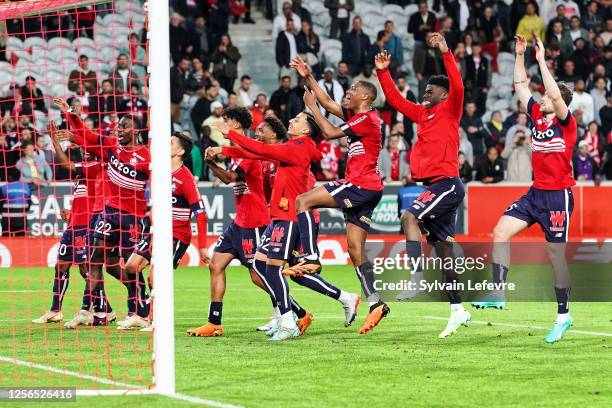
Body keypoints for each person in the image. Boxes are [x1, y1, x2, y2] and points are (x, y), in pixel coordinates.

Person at [209, 113, 360, 340]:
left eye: (297, 120)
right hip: (278, 216)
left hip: (290, 216)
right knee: (262, 265)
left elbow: (262, 151)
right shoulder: (292, 145)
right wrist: (224, 151)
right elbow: (257, 152)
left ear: (306, 130)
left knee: (274, 269)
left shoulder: (299, 147)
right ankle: (338, 300)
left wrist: (228, 134)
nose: (291, 120)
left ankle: (288, 321)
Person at [472, 36, 577, 344]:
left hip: (558, 196)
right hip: (535, 194)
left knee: (556, 256)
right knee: (500, 233)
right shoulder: (535, 116)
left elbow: (556, 97)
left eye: (546, 96)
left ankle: (563, 316)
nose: (541, 98)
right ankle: (498, 292)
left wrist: (542, 60)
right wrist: (519, 55)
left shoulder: (566, 124)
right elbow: (520, 86)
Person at [375, 33, 470, 338]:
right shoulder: (422, 113)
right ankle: (458, 310)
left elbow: (458, 84)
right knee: (443, 250)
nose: (425, 94)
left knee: (408, 217)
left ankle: (416, 276)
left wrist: (445, 51)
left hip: (446, 183)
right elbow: (395, 100)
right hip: (436, 184)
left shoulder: (451, 106)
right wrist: (383, 72)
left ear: (444, 94)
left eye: (430, 91)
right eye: (425, 90)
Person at [290, 55, 389, 335]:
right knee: (356, 250)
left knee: (303, 200)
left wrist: (312, 109)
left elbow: (330, 130)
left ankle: (310, 256)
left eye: (353, 90)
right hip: (370, 188)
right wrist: (308, 77)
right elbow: (329, 103)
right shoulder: (361, 118)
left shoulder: (367, 119)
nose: (347, 93)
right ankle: (376, 303)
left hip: (360, 183)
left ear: (366, 97)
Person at [56, 97, 151, 330]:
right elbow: (87, 135)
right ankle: (92, 308)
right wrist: (70, 113)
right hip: (108, 213)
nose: (119, 129)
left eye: (124, 126)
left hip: (133, 217)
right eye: (118, 125)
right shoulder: (111, 146)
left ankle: (141, 308)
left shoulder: (147, 156)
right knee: (93, 259)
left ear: (136, 130)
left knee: (130, 265)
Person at [186, 107, 271, 337]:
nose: (221, 125)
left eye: (225, 121)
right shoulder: (238, 151)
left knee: (257, 275)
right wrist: (214, 160)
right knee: (216, 264)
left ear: (235, 124)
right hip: (239, 223)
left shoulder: (250, 150)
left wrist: (212, 165)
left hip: (254, 222)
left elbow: (231, 178)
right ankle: (214, 322)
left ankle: (293, 310)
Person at [31, 125, 106, 325]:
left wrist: (54, 140)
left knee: (87, 269)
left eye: (86, 147)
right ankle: (56, 310)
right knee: (61, 266)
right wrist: (72, 214)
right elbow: (87, 198)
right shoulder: (85, 172)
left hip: (87, 227)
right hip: (74, 225)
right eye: (81, 148)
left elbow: (65, 164)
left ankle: (103, 309)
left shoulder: (97, 167)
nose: (83, 150)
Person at [125, 132, 210, 298]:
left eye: (170, 143)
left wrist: (202, 246)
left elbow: (201, 214)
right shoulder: (159, 171)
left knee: (157, 276)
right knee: (131, 266)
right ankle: (144, 307)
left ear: (180, 152)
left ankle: (153, 317)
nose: (165, 145)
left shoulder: (186, 179)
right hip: (158, 232)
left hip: (176, 235)